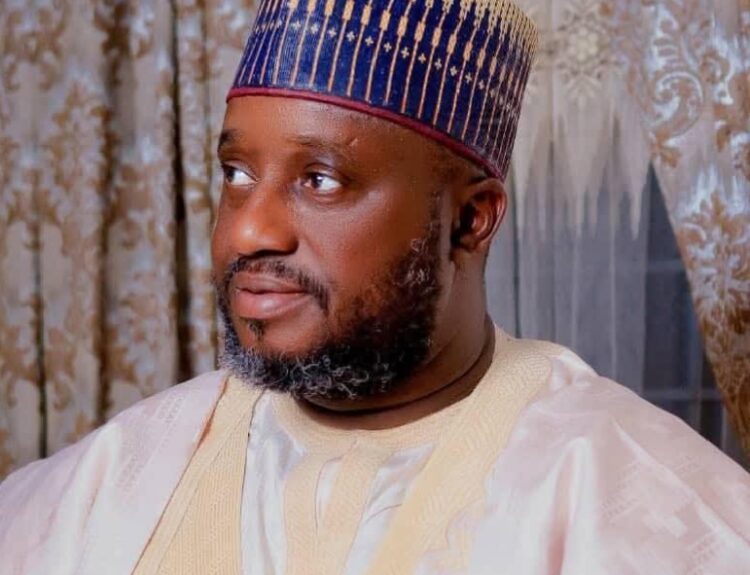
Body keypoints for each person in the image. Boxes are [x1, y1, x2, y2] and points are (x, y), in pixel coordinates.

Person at [1, 0, 748, 573]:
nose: (248, 230)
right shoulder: (115, 478)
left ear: (469, 221)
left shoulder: (632, 495)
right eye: (237, 173)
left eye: (320, 180)